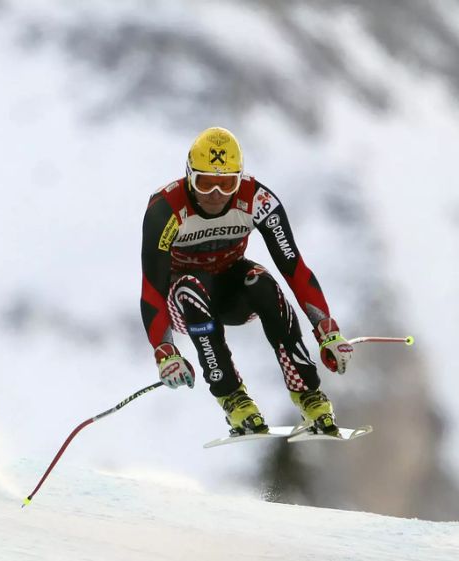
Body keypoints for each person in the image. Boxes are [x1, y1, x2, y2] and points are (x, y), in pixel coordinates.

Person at [140, 126, 354, 436]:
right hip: (184, 303)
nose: (215, 196)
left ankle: (309, 394)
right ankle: (232, 397)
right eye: (206, 183)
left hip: (232, 294)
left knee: (263, 283)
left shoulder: (257, 199)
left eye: (226, 185)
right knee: (189, 285)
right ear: (189, 177)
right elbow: (152, 288)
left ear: (239, 180)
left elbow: (293, 266)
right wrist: (166, 351)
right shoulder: (165, 209)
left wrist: (327, 330)